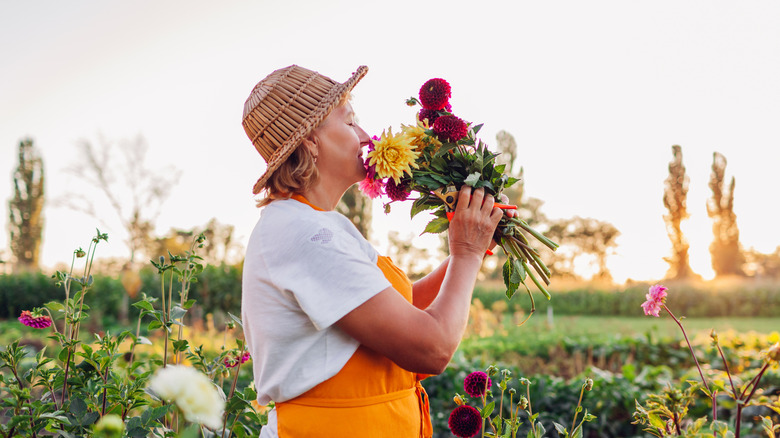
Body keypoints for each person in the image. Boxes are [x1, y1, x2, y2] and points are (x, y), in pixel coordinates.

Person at [240, 65, 508, 437]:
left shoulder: (314, 224)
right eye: (350, 123)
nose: (366, 136)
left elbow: (400, 309)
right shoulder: (306, 234)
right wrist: (466, 253)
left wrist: (479, 241)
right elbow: (431, 347)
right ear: (310, 142)